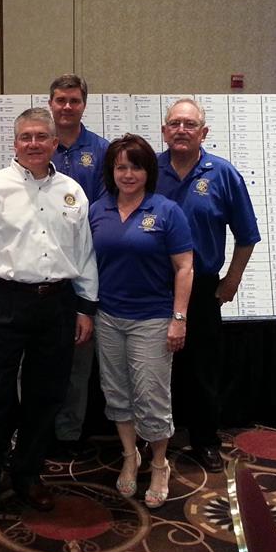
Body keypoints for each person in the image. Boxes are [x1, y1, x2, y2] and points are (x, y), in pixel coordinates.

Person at [0, 107, 99, 535]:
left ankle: (27, 474)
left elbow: (84, 252)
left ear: (54, 142)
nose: (33, 144)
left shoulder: (72, 191)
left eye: (41, 137)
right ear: (14, 143)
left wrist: (85, 308)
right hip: (5, 301)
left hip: (57, 305)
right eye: (25, 137)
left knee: (45, 396)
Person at [90, 134, 193, 508]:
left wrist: (178, 318)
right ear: (111, 171)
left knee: (151, 396)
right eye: (121, 167)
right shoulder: (97, 210)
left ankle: (160, 463)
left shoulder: (166, 211)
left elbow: (185, 267)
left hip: (151, 320)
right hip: (108, 318)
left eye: (136, 167)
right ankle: (129, 456)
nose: (128, 174)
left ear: (148, 171)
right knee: (117, 393)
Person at [157, 98, 260, 473]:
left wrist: (232, 280)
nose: (181, 130)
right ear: (164, 131)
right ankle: (156, 439)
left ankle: (205, 440)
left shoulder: (223, 174)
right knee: (154, 367)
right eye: (175, 123)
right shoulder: (149, 170)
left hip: (202, 289)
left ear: (204, 132)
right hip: (154, 287)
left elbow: (247, 235)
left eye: (190, 124)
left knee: (203, 369)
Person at [47, 74, 110, 456]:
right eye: (60, 100)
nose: (67, 107)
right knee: (41, 358)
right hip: (41, 269)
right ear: (50, 103)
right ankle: (38, 429)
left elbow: (104, 208)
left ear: (84, 104)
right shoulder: (40, 144)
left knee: (79, 357)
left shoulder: (101, 151)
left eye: (74, 100)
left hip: (85, 266)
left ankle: (69, 433)